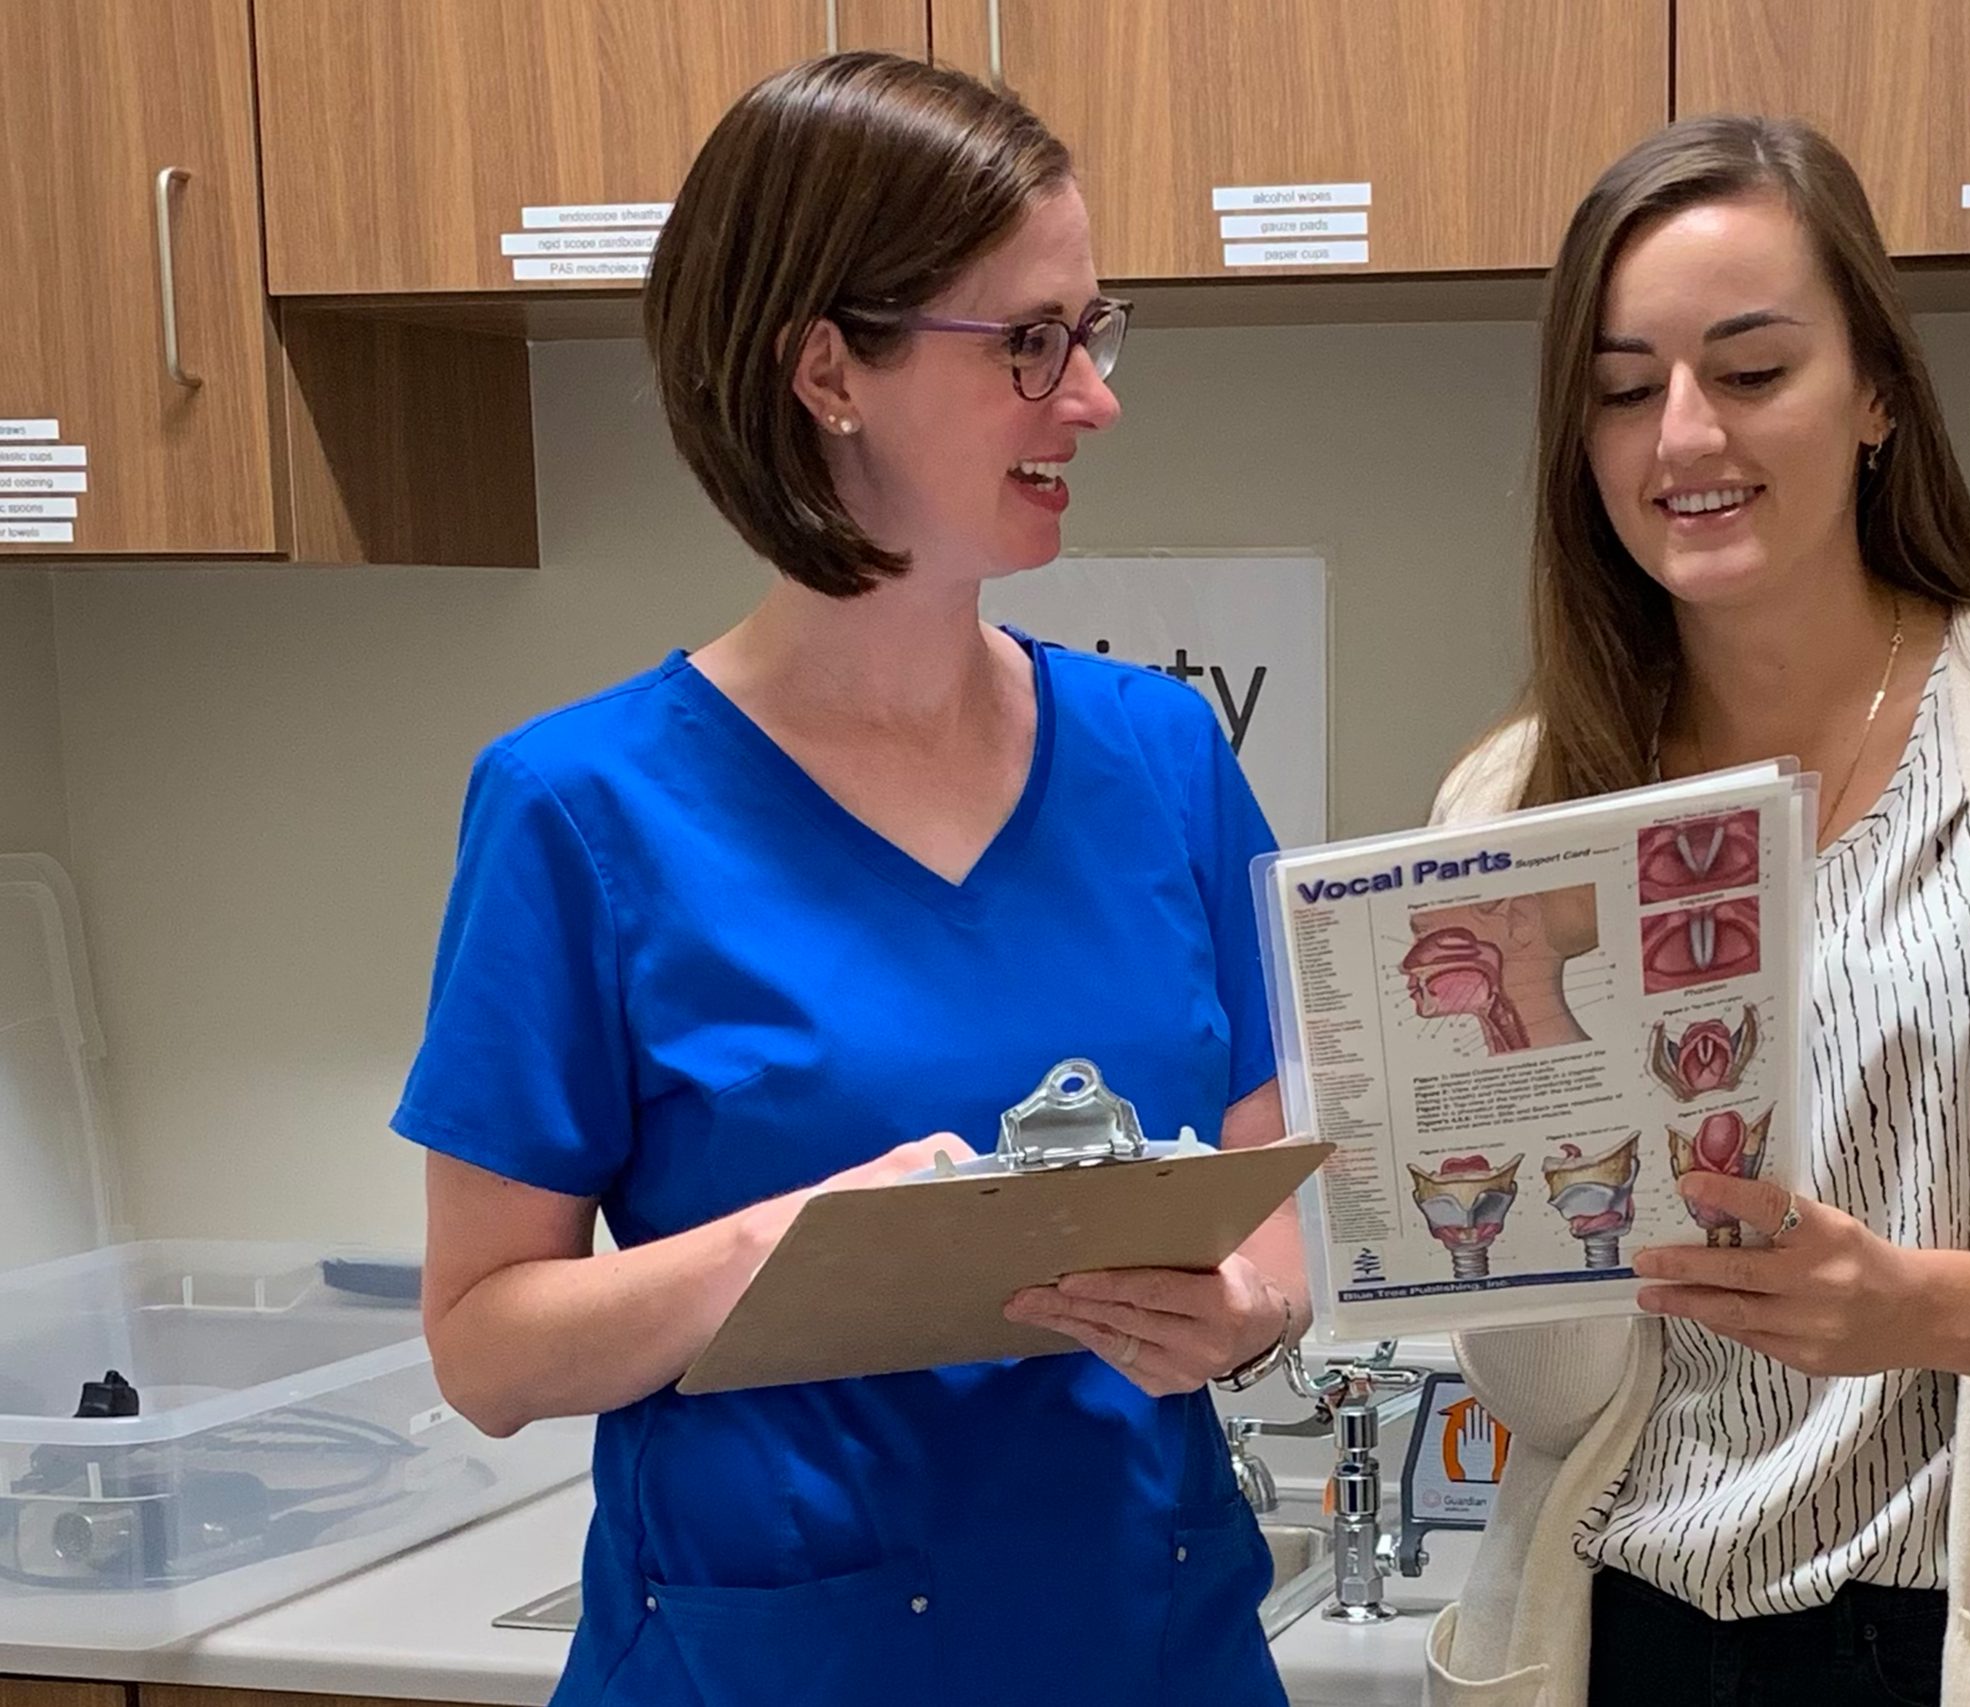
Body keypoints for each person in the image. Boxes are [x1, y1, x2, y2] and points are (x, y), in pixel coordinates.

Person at [393, 54, 1302, 1707]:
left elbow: (1280, 1195)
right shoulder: (579, 811)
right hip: (780, 1662)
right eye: (1030, 341)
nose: (1090, 396)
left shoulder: (1163, 758)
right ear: (829, 367)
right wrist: (790, 1247)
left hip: (1150, 1646)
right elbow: (484, 1350)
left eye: (1093, 333)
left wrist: (1242, 1309)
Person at [1420, 115, 1970, 1707]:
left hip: (1950, 1642)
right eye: (1624, 392)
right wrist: (1488, 1208)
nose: (1684, 434)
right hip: (1613, 1637)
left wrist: (1917, 1307)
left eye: (1752, 371)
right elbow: (1546, 1399)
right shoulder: (1513, 811)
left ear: (1879, 393)